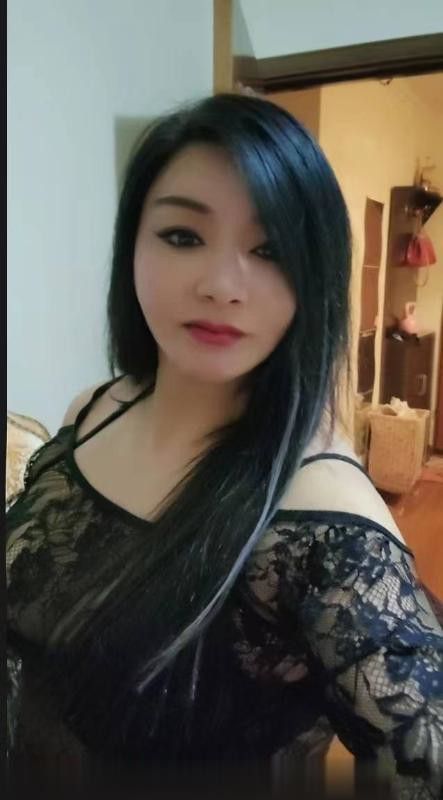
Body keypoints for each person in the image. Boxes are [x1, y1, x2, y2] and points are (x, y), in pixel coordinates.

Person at [6, 93, 442, 799]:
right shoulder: (96, 408)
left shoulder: (326, 520)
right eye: (183, 236)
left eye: (270, 250)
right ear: (133, 244)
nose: (220, 286)